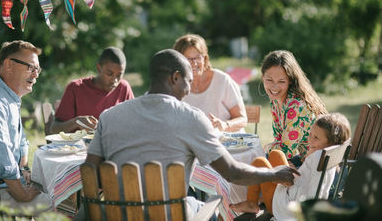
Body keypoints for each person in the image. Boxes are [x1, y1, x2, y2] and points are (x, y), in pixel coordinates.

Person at [83, 49, 299, 219]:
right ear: (175, 77)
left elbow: (91, 171)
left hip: (116, 216)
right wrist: (274, 174)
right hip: (170, 217)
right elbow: (232, 172)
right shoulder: (192, 118)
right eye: (188, 81)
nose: (189, 88)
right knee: (207, 206)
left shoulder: (109, 116)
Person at [230, 113, 351, 220]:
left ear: (331, 143)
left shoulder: (318, 157)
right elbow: (306, 181)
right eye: (311, 135)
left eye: (316, 138)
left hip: (283, 206)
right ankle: (256, 200)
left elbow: (311, 196)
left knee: (260, 162)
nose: (310, 140)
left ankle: (252, 203)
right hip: (291, 191)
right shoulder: (326, 157)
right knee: (276, 154)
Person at [0, 40, 51, 213]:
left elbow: (20, 144)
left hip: (4, 184)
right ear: (8, 65)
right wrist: (22, 194)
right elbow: (1, 155)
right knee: (56, 206)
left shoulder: (9, 99)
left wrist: (24, 170)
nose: (36, 75)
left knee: (60, 192)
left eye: (38, 69)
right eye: (31, 67)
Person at [261, 50, 327, 166]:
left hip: (319, 168)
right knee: (258, 165)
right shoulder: (276, 101)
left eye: (281, 81)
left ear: (290, 81)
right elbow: (279, 139)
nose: (274, 87)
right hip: (305, 160)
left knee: (258, 164)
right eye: (269, 80)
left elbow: (285, 152)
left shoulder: (296, 106)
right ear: (262, 77)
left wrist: (262, 149)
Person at [173, 34, 247, 133]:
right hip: (194, 143)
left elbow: (242, 119)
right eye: (188, 58)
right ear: (179, 61)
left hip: (228, 143)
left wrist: (225, 125)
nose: (194, 62)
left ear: (205, 58)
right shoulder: (174, 84)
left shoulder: (222, 80)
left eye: (198, 57)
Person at [51, 47, 134, 133]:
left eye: (119, 75)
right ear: (99, 68)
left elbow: (135, 122)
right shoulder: (76, 88)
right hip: (79, 145)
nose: (115, 80)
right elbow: (54, 129)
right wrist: (77, 121)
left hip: (113, 145)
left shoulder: (123, 88)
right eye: (109, 74)